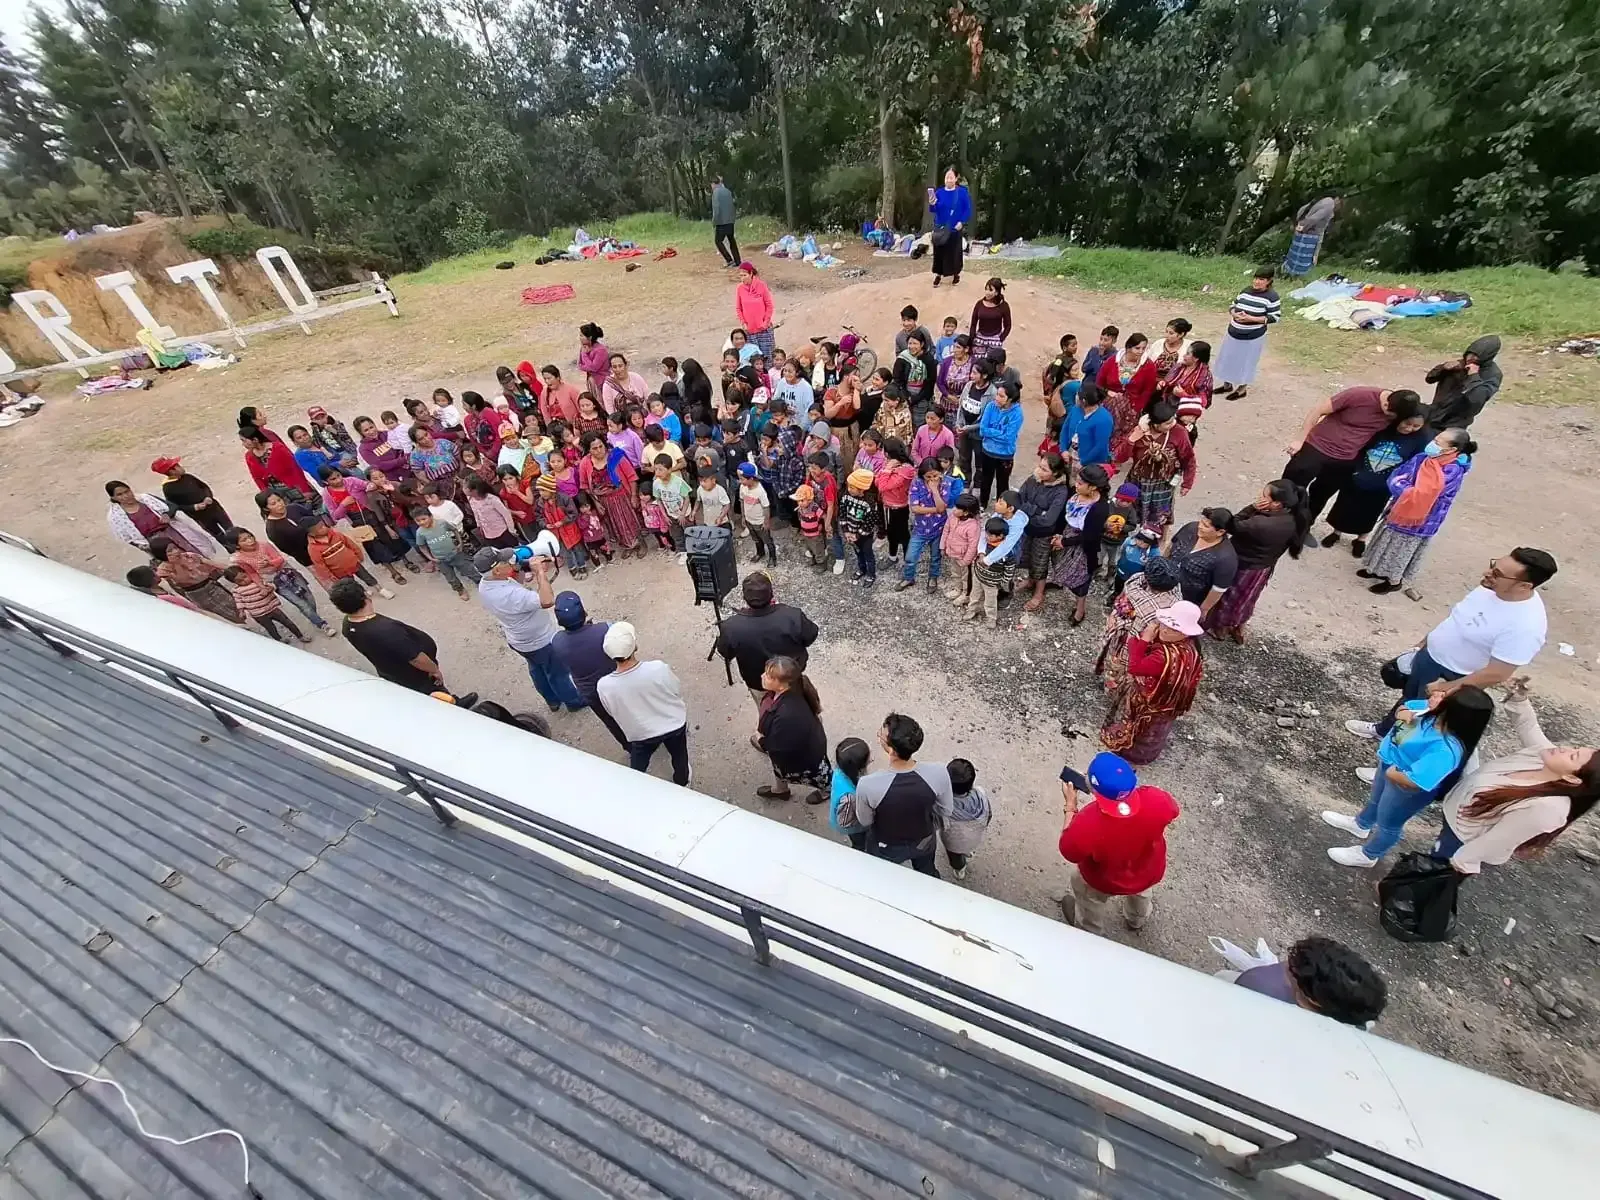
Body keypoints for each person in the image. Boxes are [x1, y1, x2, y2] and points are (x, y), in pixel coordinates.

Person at [1347, 549, 1556, 741]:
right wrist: (1423, 644)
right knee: (1410, 700)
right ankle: (1384, 731)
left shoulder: (1526, 625)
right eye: (1493, 565)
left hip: (1453, 675)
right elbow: (1456, 619)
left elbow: (1497, 673)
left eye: (1497, 573)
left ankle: (1396, 755)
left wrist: (1445, 688)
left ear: (1524, 586)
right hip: (1429, 658)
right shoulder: (1489, 587)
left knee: (1424, 718)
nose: (1487, 573)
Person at [1438, 677, 1599, 875]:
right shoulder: (1545, 757)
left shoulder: (1548, 809)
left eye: (1573, 756)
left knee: (1431, 875)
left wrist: (1460, 862)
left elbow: (1498, 840)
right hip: (1459, 814)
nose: (1564, 748)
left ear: (1573, 779)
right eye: (1575, 748)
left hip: (1463, 837)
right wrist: (1519, 698)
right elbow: (1528, 725)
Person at [1321, 686, 1494, 867]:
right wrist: (1403, 713)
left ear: (1452, 712)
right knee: (1375, 800)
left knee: (1389, 824)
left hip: (1403, 785)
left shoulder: (1446, 749)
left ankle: (1368, 855)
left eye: (1444, 695)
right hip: (1390, 765)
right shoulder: (1430, 711)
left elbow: (1416, 781)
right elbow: (1404, 707)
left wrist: (1392, 773)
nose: (1437, 693)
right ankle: (1361, 824)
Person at [1057, 752, 1179, 935]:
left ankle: (1089, 932)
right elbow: (1173, 809)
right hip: (1147, 871)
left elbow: (1068, 850)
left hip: (1103, 880)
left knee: (1087, 894)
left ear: (1093, 789)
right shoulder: (1156, 799)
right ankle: (1136, 919)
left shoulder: (1088, 822)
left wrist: (1070, 806)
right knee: (1142, 893)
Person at [1284, 385, 1425, 533]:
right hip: (1317, 446)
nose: (1389, 416)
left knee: (1321, 495)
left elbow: (1417, 422)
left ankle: (1302, 529)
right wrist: (1299, 440)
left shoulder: (1398, 414)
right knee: (1291, 487)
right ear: (1386, 402)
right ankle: (1278, 523)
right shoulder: (1359, 395)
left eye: (1394, 416)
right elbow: (1318, 410)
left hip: (1346, 458)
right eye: (1388, 411)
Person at [1359, 428, 1478, 597]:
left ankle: (1393, 581)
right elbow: (1399, 475)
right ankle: (1376, 569)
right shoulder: (1423, 458)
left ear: (1451, 449)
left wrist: (1405, 490)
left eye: (1438, 442)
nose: (1432, 444)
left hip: (1422, 519)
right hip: (1400, 509)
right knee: (1387, 539)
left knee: (1402, 548)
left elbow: (1427, 493)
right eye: (1435, 439)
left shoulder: (1453, 470)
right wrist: (1405, 489)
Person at [474, 548, 585, 712]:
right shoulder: (510, 594)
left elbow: (517, 581)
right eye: (505, 562)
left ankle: (552, 701)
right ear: (496, 570)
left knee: (537, 669)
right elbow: (547, 600)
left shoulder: (486, 584)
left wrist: (520, 566)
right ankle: (573, 702)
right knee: (558, 673)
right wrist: (540, 573)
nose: (509, 562)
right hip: (540, 641)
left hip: (519, 641)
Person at [1100, 601, 1205, 764]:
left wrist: (1144, 640)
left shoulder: (1162, 657)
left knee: (1138, 727)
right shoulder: (1190, 649)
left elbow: (1134, 667)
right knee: (1155, 732)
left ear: (1185, 634)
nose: (1165, 630)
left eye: (1173, 629)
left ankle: (1129, 753)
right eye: (1165, 624)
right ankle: (1146, 754)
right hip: (1168, 703)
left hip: (1148, 703)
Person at [1204, 480, 1308, 643]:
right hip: (1263, 567)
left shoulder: (1260, 523)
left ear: (1277, 504)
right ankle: (1239, 625)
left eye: (1264, 496)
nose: (1260, 497)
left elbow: (1233, 525)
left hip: (1244, 565)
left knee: (1229, 597)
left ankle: (1221, 627)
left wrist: (1252, 507)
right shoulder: (1293, 518)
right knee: (1248, 598)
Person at [852, 713, 954, 874]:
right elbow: (946, 810)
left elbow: (865, 820)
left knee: (883, 874)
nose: (878, 736)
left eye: (881, 735)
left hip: (886, 844)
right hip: (924, 839)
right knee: (926, 871)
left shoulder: (868, 784)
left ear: (891, 750)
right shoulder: (939, 772)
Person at [329, 578, 465, 699]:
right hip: (416, 675)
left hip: (394, 673)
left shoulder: (347, 624)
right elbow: (416, 658)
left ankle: (454, 701)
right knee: (437, 695)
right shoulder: (385, 630)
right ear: (365, 597)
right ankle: (457, 706)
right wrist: (433, 670)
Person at [1320, 412, 1432, 556]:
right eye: (1407, 423)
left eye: (1416, 426)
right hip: (1359, 475)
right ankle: (1336, 532)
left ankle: (1361, 539)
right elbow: (1361, 447)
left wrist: (1397, 482)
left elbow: (1413, 464)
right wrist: (1355, 469)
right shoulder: (1382, 428)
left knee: (1371, 511)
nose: (1409, 428)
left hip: (1383, 485)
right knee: (1345, 504)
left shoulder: (1420, 440)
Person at [595, 622, 691, 785]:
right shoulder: (657, 669)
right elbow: (675, 689)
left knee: (639, 762)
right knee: (679, 755)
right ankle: (682, 781)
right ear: (634, 646)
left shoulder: (604, 685)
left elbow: (611, 711)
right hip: (673, 724)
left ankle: (637, 785)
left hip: (641, 733)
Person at [715, 572, 820, 705]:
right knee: (797, 705)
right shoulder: (792, 616)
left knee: (766, 709)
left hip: (759, 682)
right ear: (771, 594)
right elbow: (811, 636)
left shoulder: (731, 627)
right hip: (789, 677)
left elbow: (725, 652)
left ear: (745, 598)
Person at [1235, 936, 1387, 1028]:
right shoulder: (1357, 1020)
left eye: (1290, 971)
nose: (1284, 967)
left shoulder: (1258, 986)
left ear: (1313, 1001)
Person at [225, 527, 334, 636]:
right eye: (244, 540)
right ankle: (322, 624)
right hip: (275, 581)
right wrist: (261, 586)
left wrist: (269, 562)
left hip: (289, 573)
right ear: (237, 545)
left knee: (308, 597)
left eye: (250, 536)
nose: (250, 540)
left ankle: (312, 616)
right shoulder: (241, 559)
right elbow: (252, 573)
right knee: (300, 604)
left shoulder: (264, 545)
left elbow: (280, 559)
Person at [550, 592, 626, 746]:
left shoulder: (556, 641)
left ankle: (629, 746)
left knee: (610, 720)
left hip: (591, 692)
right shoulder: (606, 629)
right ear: (583, 612)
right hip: (618, 682)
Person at [1095, 555, 1181, 691]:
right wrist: (1114, 614)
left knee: (1121, 666)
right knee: (1111, 659)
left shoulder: (1165, 609)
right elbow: (1121, 598)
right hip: (1120, 631)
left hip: (1133, 641)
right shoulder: (1137, 580)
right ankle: (1110, 681)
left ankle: (1115, 688)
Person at [753, 656, 832, 803]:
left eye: (769, 676)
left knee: (820, 776)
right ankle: (781, 790)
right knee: (780, 770)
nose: (762, 676)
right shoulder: (793, 690)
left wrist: (761, 740)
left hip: (805, 757)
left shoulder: (787, 715)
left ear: (782, 686)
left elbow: (779, 747)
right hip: (805, 746)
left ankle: (827, 791)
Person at [1117, 401, 1195, 535]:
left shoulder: (1179, 432)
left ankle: (1160, 540)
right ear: (1155, 424)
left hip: (1163, 483)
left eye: (1173, 420)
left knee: (1160, 516)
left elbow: (1188, 458)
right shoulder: (1140, 431)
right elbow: (1120, 457)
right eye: (1167, 423)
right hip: (1138, 480)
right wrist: (1131, 440)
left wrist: (1187, 482)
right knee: (1129, 512)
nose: (1173, 424)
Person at [1048, 463, 1112, 625]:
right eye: (1076, 481)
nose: (1076, 485)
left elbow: (1089, 536)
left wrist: (1064, 542)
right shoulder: (1075, 493)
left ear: (1093, 487)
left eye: (1080, 483)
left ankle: (1080, 608)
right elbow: (1065, 514)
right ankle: (1060, 582)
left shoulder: (1100, 508)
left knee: (1080, 577)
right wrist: (1059, 533)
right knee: (1058, 563)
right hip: (1066, 535)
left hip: (1081, 546)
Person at [1212, 267, 1281, 401]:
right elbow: (1233, 305)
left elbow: (1274, 317)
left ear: (1269, 281)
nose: (1257, 282)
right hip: (1234, 331)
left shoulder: (1272, 297)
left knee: (1246, 362)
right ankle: (1227, 385)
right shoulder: (1245, 291)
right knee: (1228, 358)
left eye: (1261, 279)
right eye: (1255, 278)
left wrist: (1251, 318)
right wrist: (1234, 313)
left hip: (1253, 335)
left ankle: (1242, 389)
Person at [1016, 452, 1072, 612]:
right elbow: (1019, 499)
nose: (1039, 471)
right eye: (1040, 466)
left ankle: (1039, 593)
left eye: (1044, 469)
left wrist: (1028, 511)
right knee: (1027, 555)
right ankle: (1030, 580)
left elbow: (1049, 520)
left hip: (1044, 533)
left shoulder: (1060, 491)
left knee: (1040, 561)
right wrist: (1038, 511)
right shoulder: (1033, 479)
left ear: (1055, 473)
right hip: (1027, 528)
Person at [106, 480, 220, 557]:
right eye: (120, 495)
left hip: (173, 532)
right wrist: (144, 547)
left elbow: (173, 506)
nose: (126, 496)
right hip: (156, 544)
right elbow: (128, 538)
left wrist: (167, 515)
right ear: (113, 498)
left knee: (195, 553)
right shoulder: (116, 516)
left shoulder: (146, 499)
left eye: (127, 491)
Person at [148, 534, 242, 622]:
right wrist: (176, 564)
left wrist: (234, 568)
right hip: (196, 593)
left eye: (175, 548)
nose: (175, 551)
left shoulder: (189, 556)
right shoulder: (164, 569)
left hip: (211, 585)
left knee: (236, 605)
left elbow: (211, 563)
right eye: (169, 551)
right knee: (224, 612)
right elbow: (177, 581)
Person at [578, 433, 644, 557]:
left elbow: (631, 477)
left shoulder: (615, 456)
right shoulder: (585, 463)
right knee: (615, 525)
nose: (599, 450)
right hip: (603, 500)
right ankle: (627, 545)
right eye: (594, 448)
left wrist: (634, 495)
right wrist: (596, 503)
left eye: (601, 446)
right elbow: (585, 486)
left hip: (622, 495)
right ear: (588, 450)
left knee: (630, 520)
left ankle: (640, 544)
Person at [1096, 333, 1158, 461]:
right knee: (1105, 428)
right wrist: (1107, 392)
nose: (1140, 351)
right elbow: (1099, 382)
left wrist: (1136, 408)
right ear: (1129, 347)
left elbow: (1147, 391)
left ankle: (1115, 458)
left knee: (1123, 434)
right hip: (1109, 404)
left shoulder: (1148, 366)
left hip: (1131, 408)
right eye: (1137, 348)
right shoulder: (1113, 361)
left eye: (1143, 348)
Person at [1165, 508, 1237, 616]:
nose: (1200, 526)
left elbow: (1218, 589)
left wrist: (1203, 610)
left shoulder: (1226, 558)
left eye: (1206, 526)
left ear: (1220, 532)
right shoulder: (1190, 528)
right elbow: (1171, 545)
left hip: (1187, 600)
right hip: (1164, 585)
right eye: (1201, 522)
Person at [899, 458, 957, 591]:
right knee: (910, 557)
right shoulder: (917, 483)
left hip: (939, 528)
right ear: (922, 475)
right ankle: (908, 578)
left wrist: (935, 490)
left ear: (940, 472)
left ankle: (933, 577)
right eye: (928, 477)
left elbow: (942, 507)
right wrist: (937, 509)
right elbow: (915, 508)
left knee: (935, 557)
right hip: (920, 528)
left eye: (935, 476)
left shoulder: (946, 483)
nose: (932, 479)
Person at [1425, 336, 1503, 431]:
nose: (1470, 358)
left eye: (1476, 356)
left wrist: (1473, 376)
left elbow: (1477, 399)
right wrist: (1443, 368)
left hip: (1456, 422)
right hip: (1434, 413)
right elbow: (1429, 379)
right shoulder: (1460, 364)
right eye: (1470, 354)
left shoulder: (1492, 375)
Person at [968, 378, 1023, 507]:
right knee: (985, 479)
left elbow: (1008, 437)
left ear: (1010, 399)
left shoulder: (1017, 413)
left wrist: (991, 432)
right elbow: (982, 430)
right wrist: (999, 433)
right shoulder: (991, 406)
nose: (997, 398)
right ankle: (982, 504)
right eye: (997, 394)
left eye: (1001, 396)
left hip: (1005, 455)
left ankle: (1002, 508)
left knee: (1002, 483)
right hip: (987, 451)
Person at [223, 564, 308, 643]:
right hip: (258, 615)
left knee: (288, 622)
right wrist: (241, 611)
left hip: (272, 609)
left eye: (244, 577)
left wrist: (268, 589)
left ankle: (300, 636)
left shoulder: (259, 582)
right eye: (239, 581)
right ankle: (279, 640)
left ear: (247, 573)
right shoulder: (237, 591)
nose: (244, 581)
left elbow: (272, 586)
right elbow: (239, 601)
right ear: (234, 582)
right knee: (271, 628)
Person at [151, 457, 232, 541]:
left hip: (215, 508)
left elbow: (204, 487)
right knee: (218, 535)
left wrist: (208, 496)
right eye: (177, 466)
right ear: (172, 471)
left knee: (230, 529)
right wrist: (194, 507)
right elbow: (175, 505)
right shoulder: (168, 488)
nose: (181, 467)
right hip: (201, 517)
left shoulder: (188, 477)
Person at [409, 506, 479, 599]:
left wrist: (460, 543)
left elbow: (454, 530)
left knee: (469, 570)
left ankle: (481, 584)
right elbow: (422, 547)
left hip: (455, 554)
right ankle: (460, 590)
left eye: (423, 519)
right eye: (418, 521)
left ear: (431, 516)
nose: (421, 522)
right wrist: (430, 558)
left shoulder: (442, 523)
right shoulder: (420, 532)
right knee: (451, 578)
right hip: (440, 560)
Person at [940, 758, 992, 880]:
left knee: (955, 857)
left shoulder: (944, 805)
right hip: (975, 838)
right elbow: (989, 814)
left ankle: (960, 869)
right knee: (966, 847)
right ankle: (967, 852)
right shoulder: (981, 794)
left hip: (953, 843)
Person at [1157, 341, 1214, 443]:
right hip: (1168, 407)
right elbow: (1168, 381)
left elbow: (1203, 401)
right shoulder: (1179, 367)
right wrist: (1163, 383)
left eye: (1188, 354)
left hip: (1185, 413)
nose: (1184, 356)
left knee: (1181, 437)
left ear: (1196, 358)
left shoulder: (1204, 376)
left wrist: (1183, 395)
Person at [967, 516, 1016, 628]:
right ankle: (971, 610)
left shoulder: (1006, 552)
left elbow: (1009, 570)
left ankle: (991, 618)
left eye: (990, 535)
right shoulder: (985, 544)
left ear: (1000, 536)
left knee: (990, 601)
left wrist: (1001, 582)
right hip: (978, 577)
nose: (986, 536)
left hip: (992, 583)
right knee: (974, 595)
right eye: (986, 533)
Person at [1059, 380, 1113, 480]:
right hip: (1071, 455)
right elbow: (1065, 429)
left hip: (1091, 463)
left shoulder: (1104, 419)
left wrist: (1083, 462)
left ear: (1083, 401)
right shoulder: (1076, 409)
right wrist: (1063, 449)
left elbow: (1100, 446)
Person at [927, 168, 972, 287]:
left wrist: (962, 222)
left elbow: (967, 209)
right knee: (939, 252)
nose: (948, 180)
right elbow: (934, 210)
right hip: (940, 227)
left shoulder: (962, 192)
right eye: (947, 177)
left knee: (954, 252)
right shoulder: (939, 192)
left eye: (951, 177)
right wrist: (932, 204)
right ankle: (938, 274)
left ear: (956, 178)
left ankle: (956, 274)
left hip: (955, 228)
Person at [241, 424, 314, 495]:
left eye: (244, 441)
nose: (243, 444)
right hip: (276, 495)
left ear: (255, 439)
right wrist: (267, 495)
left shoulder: (278, 447)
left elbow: (295, 468)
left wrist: (305, 489)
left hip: (295, 488)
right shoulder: (249, 456)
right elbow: (257, 478)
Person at [941, 491, 983, 610]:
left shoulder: (973, 526)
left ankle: (966, 594)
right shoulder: (952, 517)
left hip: (964, 558)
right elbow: (946, 531)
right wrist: (943, 546)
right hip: (953, 553)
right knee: (955, 573)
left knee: (966, 577)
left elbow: (973, 546)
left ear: (966, 512)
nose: (954, 509)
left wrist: (966, 561)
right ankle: (957, 589)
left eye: (957, 508)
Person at [829, 737, 873, 851]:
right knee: (860, 844)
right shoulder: (849, 797)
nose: (871, 759)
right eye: (868, 759)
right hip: (855, 829)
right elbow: (845, 822)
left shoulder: (839, 771)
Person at [839, 469, 879, 585]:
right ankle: (862, 569)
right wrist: (846, 531)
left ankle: (871, 574)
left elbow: (869, 524)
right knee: (858, 553)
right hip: (850, 532)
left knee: (868, 555)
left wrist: (857, 535)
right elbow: (842, 514)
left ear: (862, 489)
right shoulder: (846, 496)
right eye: (849, 486)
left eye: (852, 487)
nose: (849, 489)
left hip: (864, 536)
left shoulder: (870, 504)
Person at [1283, 196, 1340, 277]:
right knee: (1301, 262)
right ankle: (1294, 277)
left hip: (1304, 231)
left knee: (1294, 258)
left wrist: (1301, 225)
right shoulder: (1329, 203)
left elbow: (1302, 213)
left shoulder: (1322, 201)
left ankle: (1289, 275)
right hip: (1309, 235)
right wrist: (1304, 226)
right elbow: (1314, 219)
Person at [891, 334, 937, 427]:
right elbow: (897, 379)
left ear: (922, 344)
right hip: (904, 396)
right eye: (910, 343)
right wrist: (906, 396)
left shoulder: (928, 359)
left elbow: (930, 382)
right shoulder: (903, 358)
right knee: (903, 423)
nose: (912, 346)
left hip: (922, 398)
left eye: (915, 343)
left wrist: (916, 398)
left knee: (918, 423)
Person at [734, 262, 776, 360]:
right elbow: (739, 308)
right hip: (750, 330)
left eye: (745, 275)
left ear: (751, 274)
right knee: (754, 359)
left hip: (764, 329)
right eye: (740, 276)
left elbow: (769, 305)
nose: (742, 278)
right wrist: (743, 323)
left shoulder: (761, 285)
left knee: (768, 357)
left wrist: (765, 322)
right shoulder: (740, 288)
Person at [126, 564, 201, 611]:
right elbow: (193, 607)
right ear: (155, 578)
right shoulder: (165, 597)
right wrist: (172, 591)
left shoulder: (159, 591)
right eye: (155, 573)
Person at [969, 277, 1012, 360]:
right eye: (986, 289)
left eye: (990, 290)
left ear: (996, 292)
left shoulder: (1004, 306)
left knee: (991, 363)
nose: (987, 292)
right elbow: (973, 323)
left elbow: (1008, 325)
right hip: (980, 338)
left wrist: (1001, 338)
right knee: (977, 362)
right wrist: (972, 338)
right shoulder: (979, 304)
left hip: (995, 338)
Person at [576, 322, 610, 400]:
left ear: (590, 337)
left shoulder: (600, 350)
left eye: (582, 335)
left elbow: (594, 368)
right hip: (591, 381)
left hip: (602, 382)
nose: (580, 338)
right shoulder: (584, 348)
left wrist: (585, 354)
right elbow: (579, 365)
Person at [711, 176, 738, 266]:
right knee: (731, 240)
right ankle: (737, 260)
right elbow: (732, 206)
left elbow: (716, 208)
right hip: (730, 220)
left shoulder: (716, 192)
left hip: (721, 222)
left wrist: (714, 221)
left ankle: (729, 260)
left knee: (718, 241)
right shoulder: (728, 191)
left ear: (714, 184)